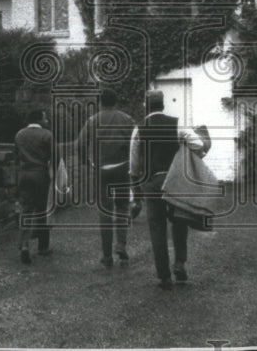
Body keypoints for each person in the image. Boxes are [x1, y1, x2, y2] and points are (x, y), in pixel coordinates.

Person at [129, 90, 204, 289]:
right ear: (162, 104)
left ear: (147, 106)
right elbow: (198, 144)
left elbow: (134, 164)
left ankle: (164, 276)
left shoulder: (139, 129)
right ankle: (179, 263)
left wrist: (136, 190)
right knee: (179, 222)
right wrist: (186, 157)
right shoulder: (177, 124)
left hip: (152, 183)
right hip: (175, 182)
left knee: (157, 228)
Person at [72, 89, 136, 267]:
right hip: (123, 169)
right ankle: (121, 245)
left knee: (105, 211)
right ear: (116, 102)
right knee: (123, 207)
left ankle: (107, 255)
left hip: (102, 171)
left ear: (100, 103)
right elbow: (136, 144)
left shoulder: (92, 121)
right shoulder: (127, 119)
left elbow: (80, 144)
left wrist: (87, 162)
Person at [14, 108, 53, 264]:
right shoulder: (47, 135)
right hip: (41, 175)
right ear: (38, 120)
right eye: (45, 118)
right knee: (43, 210)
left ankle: (24, 245)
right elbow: (54, 157)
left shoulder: (19, 135)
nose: (47, 121)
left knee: (26, 210)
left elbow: (16, 156)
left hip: (24, 175)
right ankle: (43, 247)